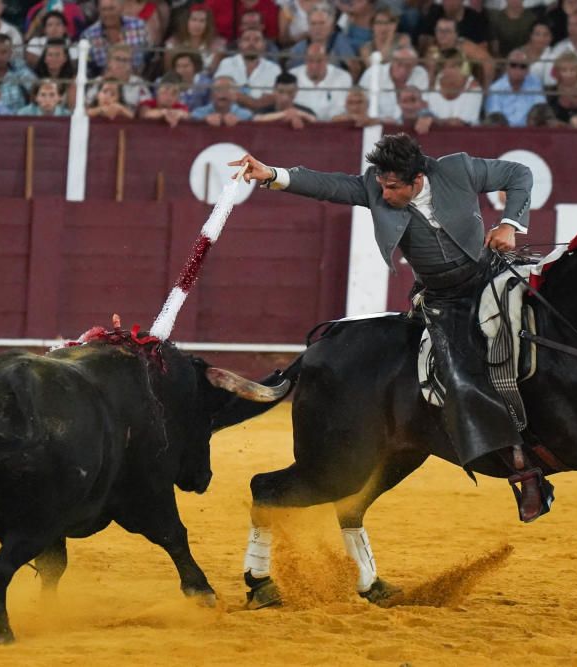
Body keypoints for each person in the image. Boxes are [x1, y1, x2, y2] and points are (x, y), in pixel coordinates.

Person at [229, 134, 547, 520]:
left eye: (393, 187)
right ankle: (523, 470)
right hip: (443, 301)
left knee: (548, 331)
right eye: (381, 184)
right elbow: (329, 185)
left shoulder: (457, 169)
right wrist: (272, 174)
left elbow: (519, 173)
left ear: (418, 179)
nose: (385, 193)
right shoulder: (375, 187)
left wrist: (510, 223)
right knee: (458, 377)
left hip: (491, 277)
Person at [214, 26, 281, 110]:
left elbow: (272, 98)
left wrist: (237, 95)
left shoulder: (274, 68)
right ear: (240, 44)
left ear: (264, 44)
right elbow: (222, 92)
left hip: (263, 115)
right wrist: (255, 103)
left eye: (256, 40)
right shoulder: (227, 63)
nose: (251, 44)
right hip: (231, 113)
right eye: (246, 39)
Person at [359, 44, 429, 120]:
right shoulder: (372, 73)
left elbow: (423, 104)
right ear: (391, 61)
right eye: (399, 64)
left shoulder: (420, 73)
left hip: (408, 124)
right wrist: (381, 120)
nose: (403, 69)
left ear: (415, 64)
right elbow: (361, 104)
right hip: (375, 124)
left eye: (408, 65)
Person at [80, 0, 150, 75]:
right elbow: (86, 69)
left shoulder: (139, 26)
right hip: (104, 82)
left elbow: (150, 57)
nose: (107, 14)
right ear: (99, 10)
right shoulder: (88, 36)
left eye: (111, 9)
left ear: (121, 8)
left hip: (137, 81)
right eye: (104, 9)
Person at [287, 5, 357, 78]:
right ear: (308, 26)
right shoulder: (299, 49)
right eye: (313, 24)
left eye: (322, 23)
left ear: (332, 26)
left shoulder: (340, 41)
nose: (317, 28)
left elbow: (355, 68)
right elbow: (293, 75)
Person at [289, 41, 352, 120]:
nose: (314, 66)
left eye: (319, 61)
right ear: (305, 59)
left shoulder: (343, 77)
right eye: (311, 60)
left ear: (327, 59)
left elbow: (342, 110)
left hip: (332, 126)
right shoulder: (292, 76)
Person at [485, 48, 545, 127]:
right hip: (504, 134)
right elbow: (494, 118)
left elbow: (540, 110)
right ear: (506, 67)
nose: (518, 69)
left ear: (528, 70)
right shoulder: (495, 88)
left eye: (523, 66)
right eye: (513, 65)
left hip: (530, 132)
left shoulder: (535, 82)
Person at [86, 41, 151, 107]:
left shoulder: (138, 83)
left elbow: (147, 108)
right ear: (109, 62)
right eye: (117, 59)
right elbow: (87, 106)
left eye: (125, 60)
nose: (121, 63)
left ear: (130, 64)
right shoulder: (98, 82)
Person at [164, 6, 227, 73]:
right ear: (186, 21)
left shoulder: (218, 45)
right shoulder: (172, 43)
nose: (197, 25)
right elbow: (169, 71)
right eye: (193, 20)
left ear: (208, 24)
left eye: (202, 21)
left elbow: (213, 73)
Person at [252, 70, 316, 127]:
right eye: (281, 92)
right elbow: (257, 119)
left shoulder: (306, 111)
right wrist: (285, 114)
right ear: (274, 90)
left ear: (296, 91)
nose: (285, 97)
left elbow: (314, 120)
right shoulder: (263, 110)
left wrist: (297, 113)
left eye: (290, 92)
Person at [358, 4, 410, 68]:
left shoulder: (403, 39)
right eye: (379, 22)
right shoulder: (365, 48)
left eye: (388, 22)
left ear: (395, 25)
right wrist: (389, 40)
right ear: (372, 26)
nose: (383, 27)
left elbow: (404, 66)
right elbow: (374, 68)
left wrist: (390, 37)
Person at [33, 38, 76, 108]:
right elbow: (33, 106)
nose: (53, 59)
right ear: (45, 58)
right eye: (50, 55)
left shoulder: (71, 81)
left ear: (65, 58)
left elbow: (72, 108)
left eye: (57, 55)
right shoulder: (36, 77)